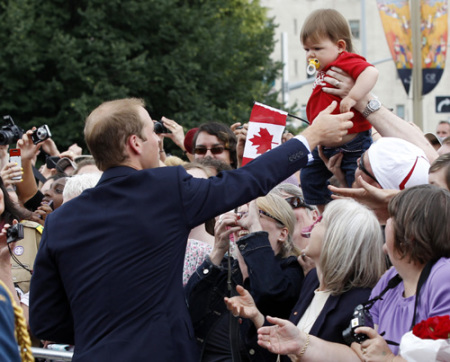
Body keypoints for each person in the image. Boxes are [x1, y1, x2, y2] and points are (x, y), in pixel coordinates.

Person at [29, 98, 354, 361]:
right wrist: (310, 137)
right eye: (152, 132)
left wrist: (101, 333)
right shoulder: (166, 189)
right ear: (134, 143)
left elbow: (45, 321)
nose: (160, 139)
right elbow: (247, 182)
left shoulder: (60, 221)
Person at [256, 185, 450, 362]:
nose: (385, 222)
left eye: (392, 217)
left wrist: (390, 359)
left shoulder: (443, 275)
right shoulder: (390, 281)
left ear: (411, 231)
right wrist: (302, 342)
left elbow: (439, 354)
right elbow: (360, 354)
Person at [225, 198, 385, 361]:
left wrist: (255, 230)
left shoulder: (362, 300)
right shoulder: (313, 279)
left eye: (321, 222)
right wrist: (256, 316)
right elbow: (291, 347)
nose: (314, 224)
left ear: (337, 238)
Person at [185, 193, 302, 361]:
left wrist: (254, 232)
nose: (243, 221)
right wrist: (217, 251)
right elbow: (187, 309)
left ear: (282, 234)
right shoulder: (224, 268)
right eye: (241, 214)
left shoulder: (291, 269)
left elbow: (271, 294)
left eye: (256, 214)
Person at [299, 9, 379, 210]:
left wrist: (353, 96)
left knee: (357, 183)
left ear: (340, 46)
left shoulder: (344, 61)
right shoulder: (323, 69)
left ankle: (362, 219)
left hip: (353, 144)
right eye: (306, 49)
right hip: (324, 144)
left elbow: (371, 72)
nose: (310, 55)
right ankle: (323, 215)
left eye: (316, 48)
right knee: (309, 177)